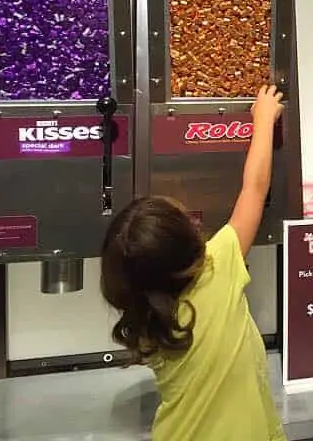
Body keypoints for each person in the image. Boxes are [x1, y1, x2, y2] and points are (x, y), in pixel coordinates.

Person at [100, 85, 286, 441]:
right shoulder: (218, 269)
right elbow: (254, 189)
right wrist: (263, 120)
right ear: (192, 242)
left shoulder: (146, 320)